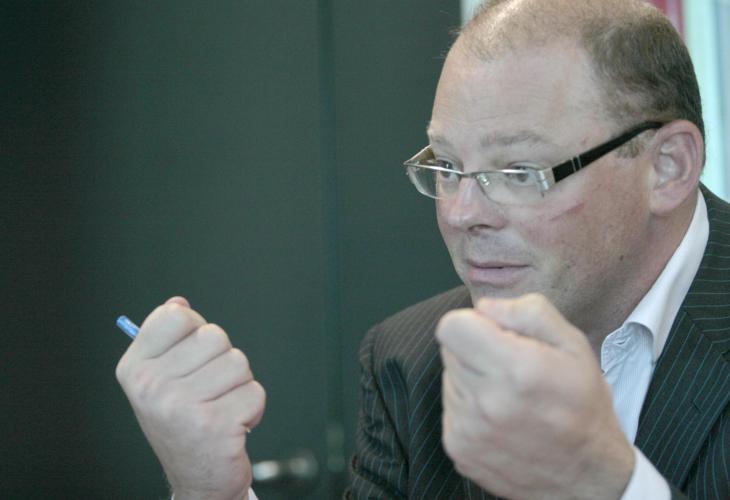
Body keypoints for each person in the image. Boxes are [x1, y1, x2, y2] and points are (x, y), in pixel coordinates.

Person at [116, 0, 729, 499]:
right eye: (447, 167)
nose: (462, 214)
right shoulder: (410, 363)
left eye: (519, 171)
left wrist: (609, 486)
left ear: (667, 167)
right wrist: (213, 492)